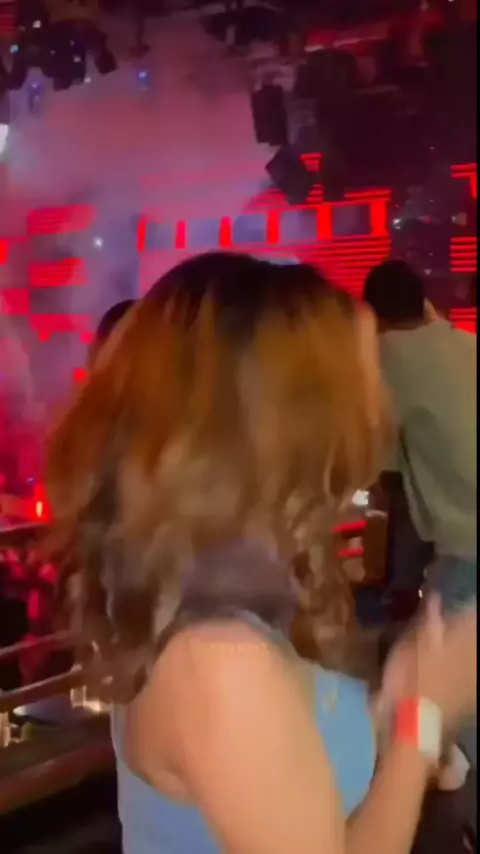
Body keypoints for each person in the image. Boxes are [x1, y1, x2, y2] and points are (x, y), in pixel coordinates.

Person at [47, 253, 476, 854]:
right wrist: (420, 724)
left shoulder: (234, 595)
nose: (376, 409)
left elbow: (302, 769)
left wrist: (393, 707)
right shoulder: (218, 661)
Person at [364, 259, 477, 779]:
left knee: (426, 673)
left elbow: (383, 474)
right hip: (461, 546)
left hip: (466, 543)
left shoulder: (385, 360)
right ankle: (444, 756)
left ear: (373, 315)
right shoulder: (463, 343)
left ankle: (444, 758)